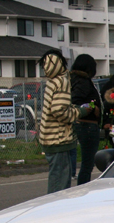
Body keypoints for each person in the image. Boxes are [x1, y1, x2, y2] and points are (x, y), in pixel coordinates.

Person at [38, 49, 92, 194]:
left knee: (57, 179)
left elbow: (56, 107)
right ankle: (55, 211)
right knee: (60, 186)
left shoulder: (52, 81)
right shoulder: (62, 81)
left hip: (49, 137)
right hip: (58, 139)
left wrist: (73, 107)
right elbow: (59, 111)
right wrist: (80, 111)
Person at [70, 54, 102, 185]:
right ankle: (82, 190)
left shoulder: (73, 79)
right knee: (87, 164)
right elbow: (76, 101)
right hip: (88, 125)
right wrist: (91, 108)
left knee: (85, 163)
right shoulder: (83, 82)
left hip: (82, 125)